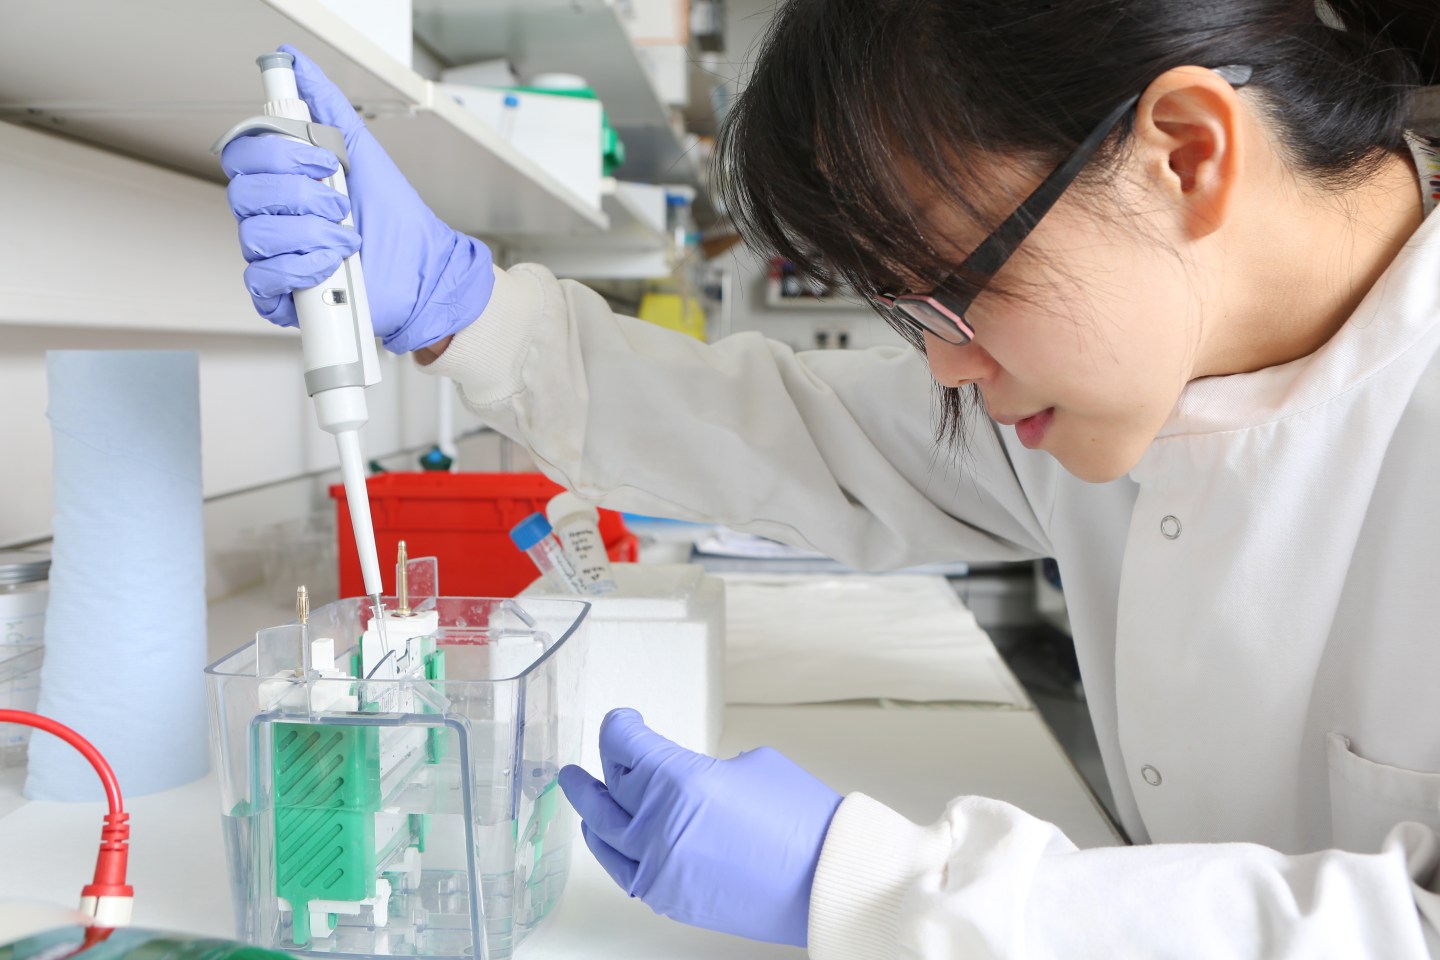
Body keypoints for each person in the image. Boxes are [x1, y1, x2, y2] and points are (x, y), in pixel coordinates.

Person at [220, 0, 1440, 954]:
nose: (946, 367)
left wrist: (872, 886)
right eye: (913, 313)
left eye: (956, 288)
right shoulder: (1143, 366)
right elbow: (800, 435)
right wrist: (468, 313)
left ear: (1185, 155)